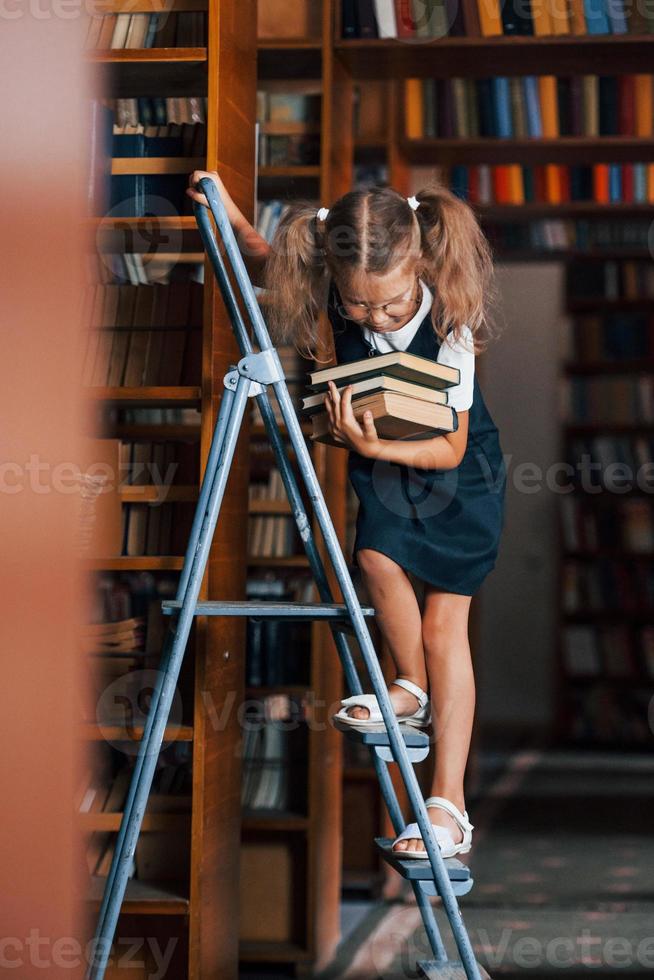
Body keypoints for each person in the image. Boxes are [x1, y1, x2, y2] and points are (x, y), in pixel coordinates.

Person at [186, 171, 507, 860]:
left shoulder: (452, 317)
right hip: (385, 466)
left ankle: (448, 809)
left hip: (460, 475)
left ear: (417, 264)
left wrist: (369, 444)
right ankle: (409, 686)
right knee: (372, 557)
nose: (374, 319)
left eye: (388, 306)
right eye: (357, 306)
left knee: (446, 623)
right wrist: (222, 201)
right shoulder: (337, 287)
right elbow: (259, 249)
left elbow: (450, 448)